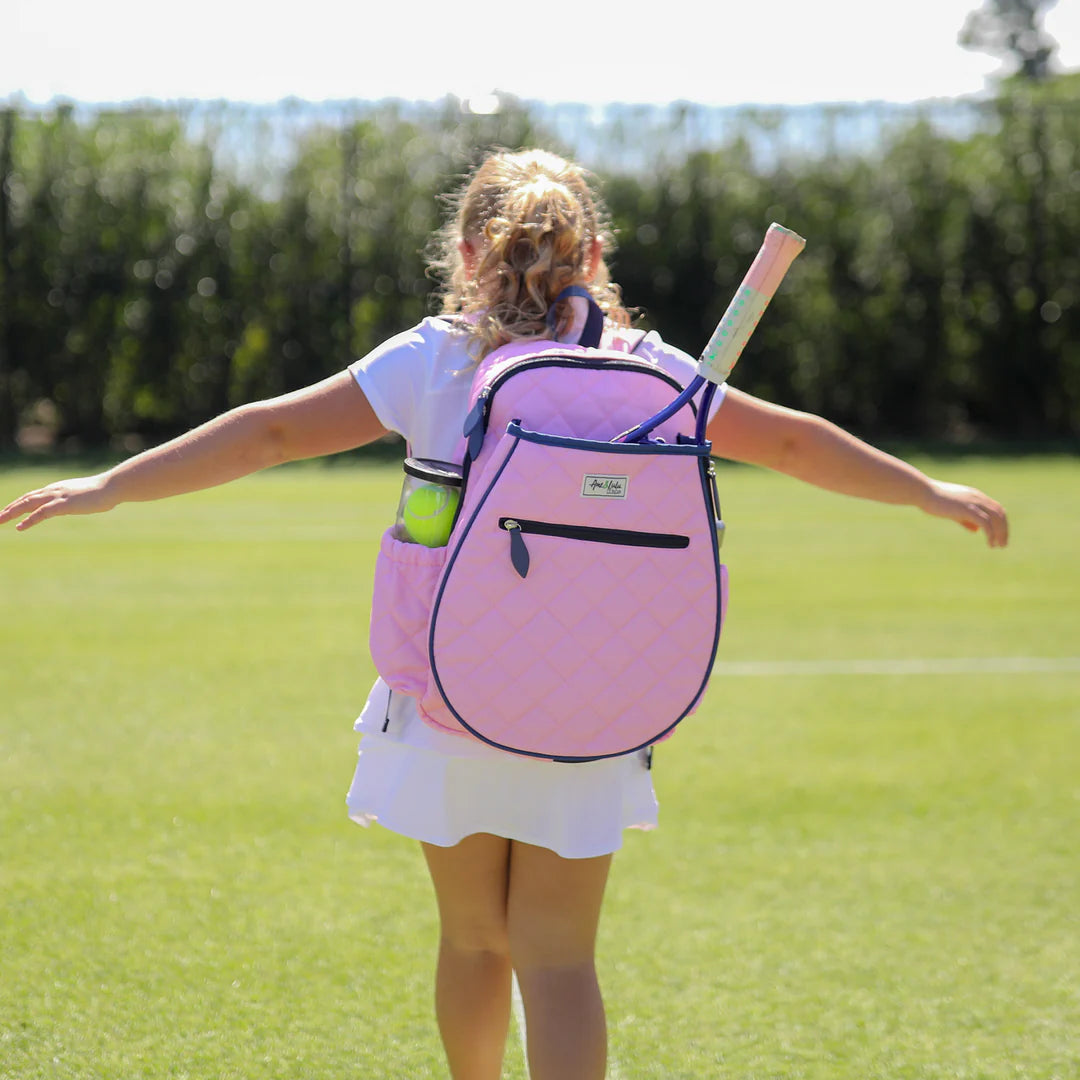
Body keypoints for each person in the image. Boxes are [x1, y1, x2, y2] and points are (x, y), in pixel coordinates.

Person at [0, 148, 1009, 1080]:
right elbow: (791, 446)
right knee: (562, 960)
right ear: (596, 252)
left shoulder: (432, 359)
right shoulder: (657, 373)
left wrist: (112, 485)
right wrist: (927, 491)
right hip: (602, 709)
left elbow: (267, 433)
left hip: (449, 696)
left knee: (476, 938)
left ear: (468, 248)